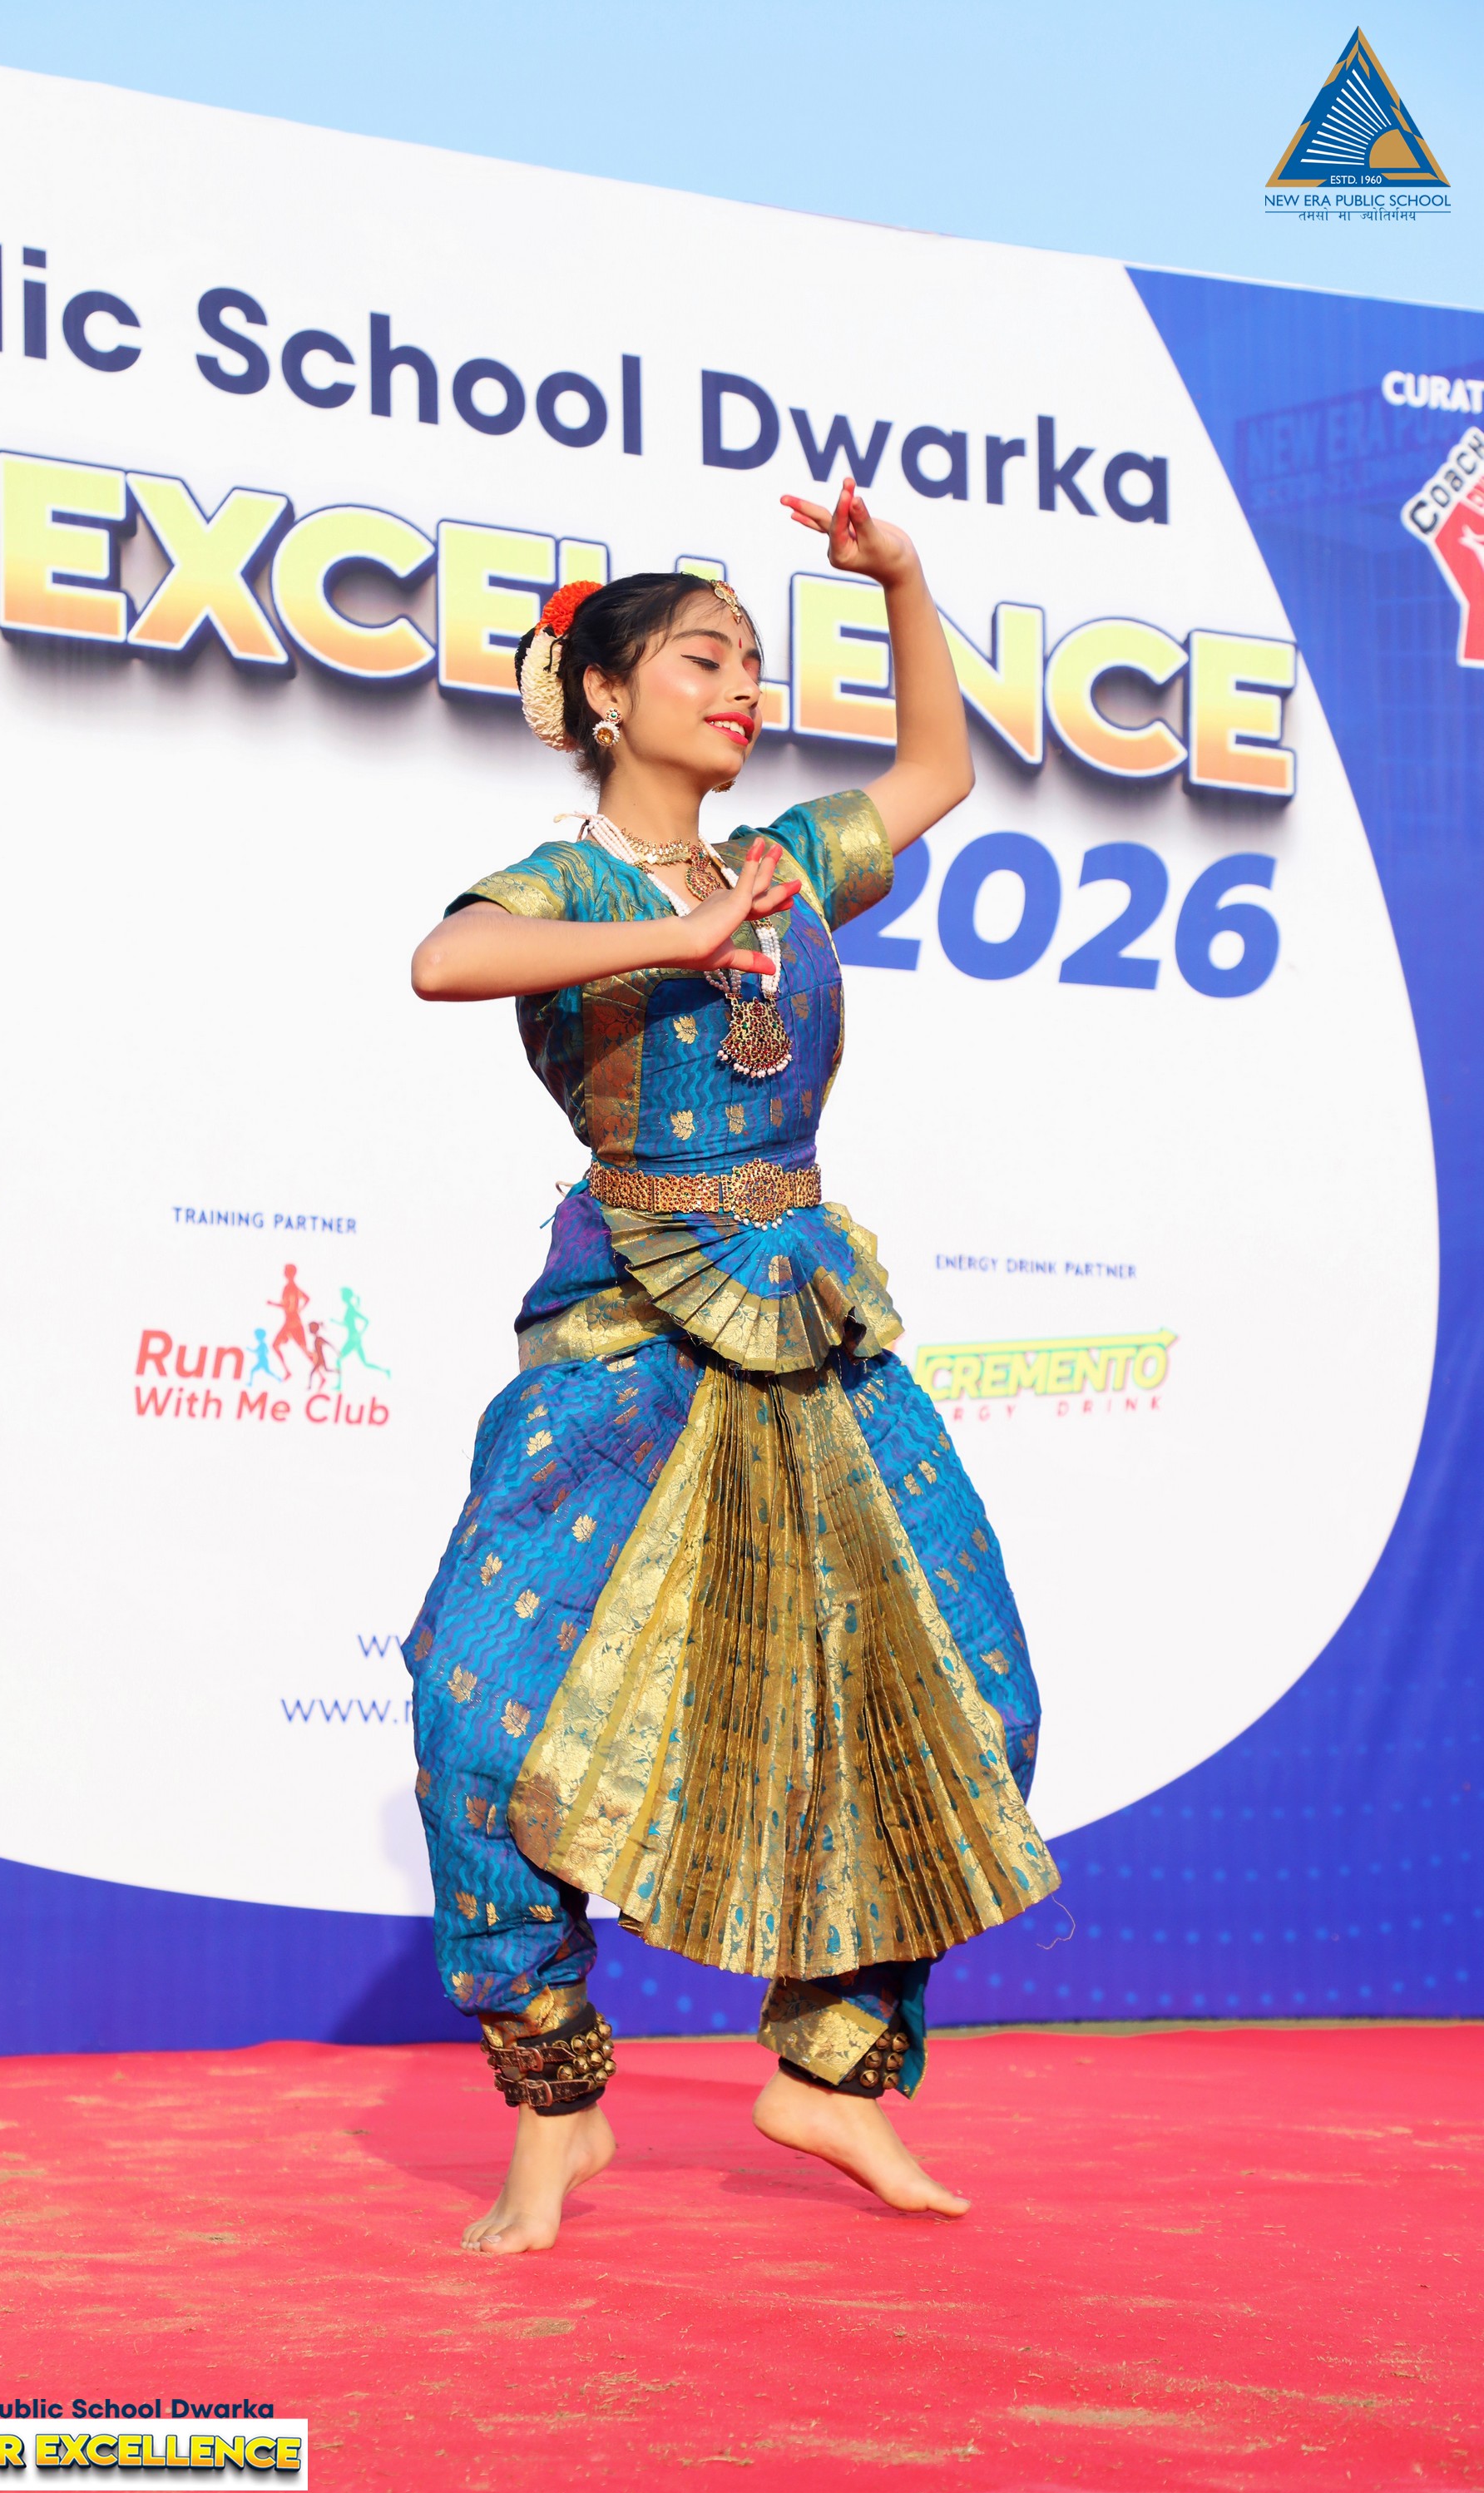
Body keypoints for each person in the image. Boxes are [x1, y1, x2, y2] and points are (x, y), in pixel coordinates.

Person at [406, 480, 1056, 2256]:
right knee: (476, 1708)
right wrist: (668, 939)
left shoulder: (781, 864)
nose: (741, 686)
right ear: (607, 695)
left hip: (810, 1314)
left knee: (969, 1696)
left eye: (754, 662)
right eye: (703, 659)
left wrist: (901, 576)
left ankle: (831, 2076)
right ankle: (557, 2112)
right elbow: (447, 959)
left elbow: (937, 773)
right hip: (623, 1321)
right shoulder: (566, 884)